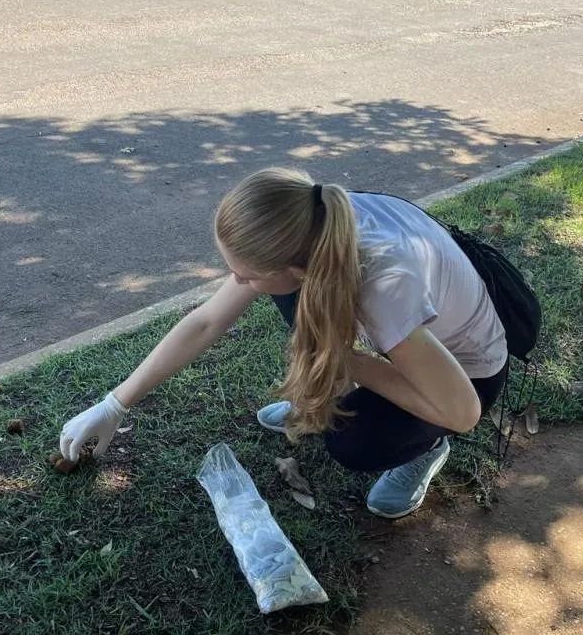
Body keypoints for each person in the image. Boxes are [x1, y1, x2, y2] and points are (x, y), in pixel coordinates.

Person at [60, 169, 508, 519]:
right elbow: (206, 321)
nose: (237, 282)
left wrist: (341, 360)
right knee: (298, 307)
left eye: (248, 275)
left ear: (295, 263)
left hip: (466, 373)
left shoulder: (383, 286)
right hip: (409, 337)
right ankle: (328, 393)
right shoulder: (313, 220)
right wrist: (115, 404)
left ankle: (427, 449)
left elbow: (462, 411)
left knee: (356, 443)